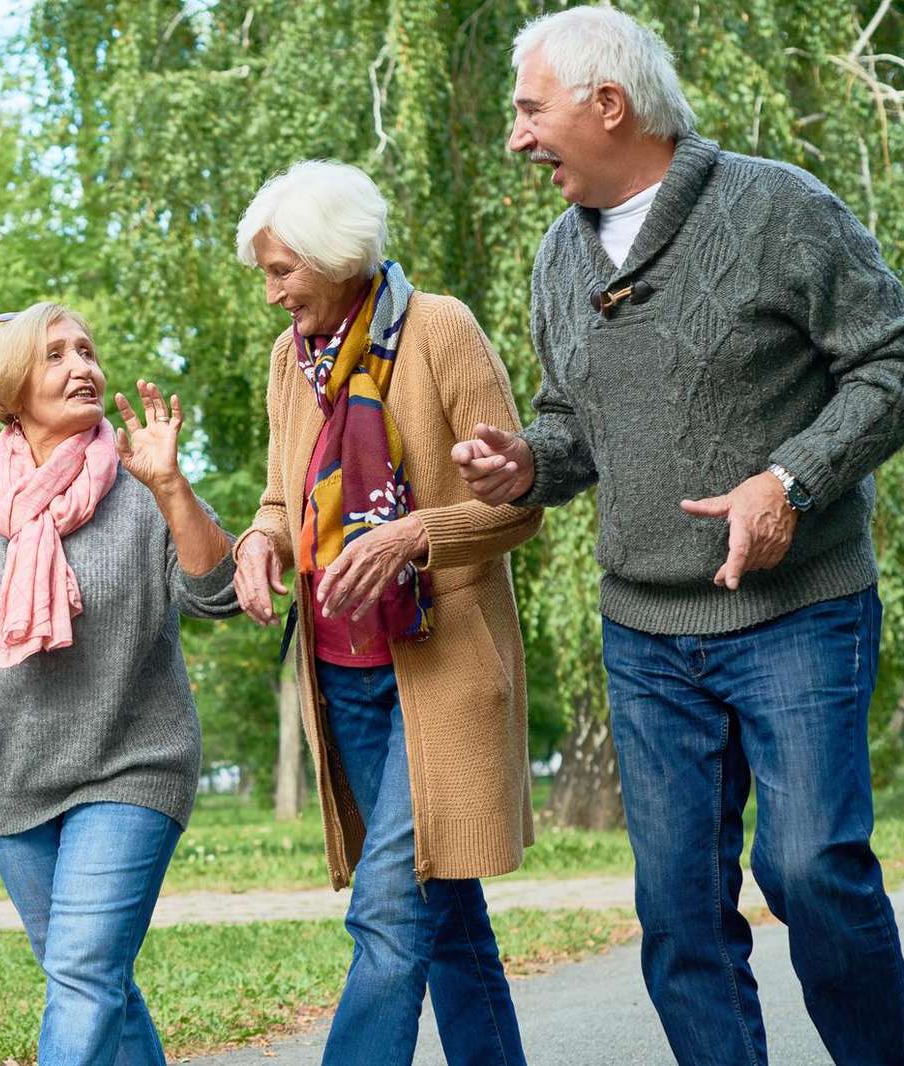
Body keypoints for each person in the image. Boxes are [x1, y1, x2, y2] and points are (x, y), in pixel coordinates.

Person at [453, 9, 904, 1064]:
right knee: (677, 915)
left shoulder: (776, 208)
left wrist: (788, 480)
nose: (516, 137)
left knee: (809, 871)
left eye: (529, 110)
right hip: (645, 633)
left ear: (608, 106)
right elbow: (571, 427)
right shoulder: (556, 256)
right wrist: (527, 464)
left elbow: (901, 361)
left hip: (796, 612)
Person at [0, 302, 238, 1065]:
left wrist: (171, 489)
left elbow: (217, 594)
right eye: (57, 356)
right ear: (11, 388)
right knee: (98, 986)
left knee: (82, 972)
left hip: (135, 765)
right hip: (17, 776)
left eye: (88, 351)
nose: (83, 367)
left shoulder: (141, 487)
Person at [231, 160, 541, 1065]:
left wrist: (411, 536)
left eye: (282, 271)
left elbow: (519, 501)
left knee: (388, 911)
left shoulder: (439, 331)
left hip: (438, 671)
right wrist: (262, 541)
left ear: (336, 258)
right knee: (443, 917)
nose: (272, 294)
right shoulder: (292, 359)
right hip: (344, 679)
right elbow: (283, 497)